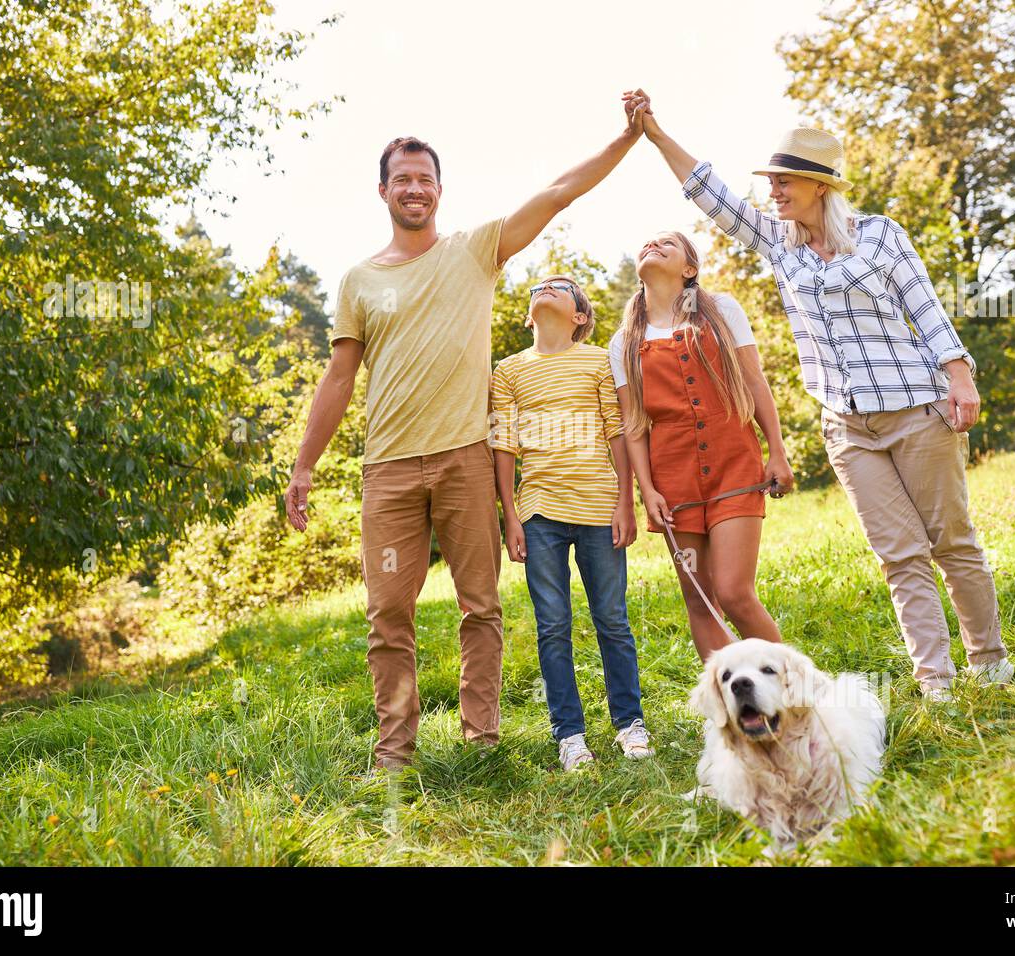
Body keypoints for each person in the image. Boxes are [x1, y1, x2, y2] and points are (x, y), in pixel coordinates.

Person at [285, 103, 648, 770]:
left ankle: (481, 743)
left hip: (466, 462)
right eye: (402, 179)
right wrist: (304, 464)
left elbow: (558, 193)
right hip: (389, 469)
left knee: (480, 606)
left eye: (424, 179)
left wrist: (626, 138)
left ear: (439, 190)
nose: (414, 189)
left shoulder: (475, 251)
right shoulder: (360, 280)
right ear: (383, 190)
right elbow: (339, 377)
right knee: (387, 615)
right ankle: (394, 754)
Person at [628, 89, 1013, 701]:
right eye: (771, 182)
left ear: (820, 186)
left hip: (917, 408)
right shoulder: (779, 245)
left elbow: (926, 308)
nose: (774, 191)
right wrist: (654, 133)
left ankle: (988, 662)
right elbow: (709, 192)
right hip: (848, 426)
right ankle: (935, 680)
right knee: (899, 555)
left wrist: (959, 374)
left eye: (784, 182)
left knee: (951, 541)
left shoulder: (880, 235)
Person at [490, 274, 652, 771]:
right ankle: (570, 735)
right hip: (539, 511)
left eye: (560, 287)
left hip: (600, 507)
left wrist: (626, 502)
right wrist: (509, 516)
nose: (546, 287)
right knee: (553, 625)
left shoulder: (599, 360)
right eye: (539, 287)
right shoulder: (507, 370)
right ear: (528, 316)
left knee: (612, 619)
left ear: (580, 316)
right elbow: (503, 445)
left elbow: (617, 431)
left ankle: (630, 724)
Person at [608, 229, 793, 661]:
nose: (652, 245)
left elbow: (755, 382)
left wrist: (777, 451)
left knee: (733, 593)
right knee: (700, 598)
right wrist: (647, 490)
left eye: (666, 243)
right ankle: (726, 697)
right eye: (647, 243)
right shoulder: (625, 342)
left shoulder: (721, 310)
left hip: (734, 467)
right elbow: (634, 426)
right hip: (674, 483)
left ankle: (795, 687)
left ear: (689, 269)